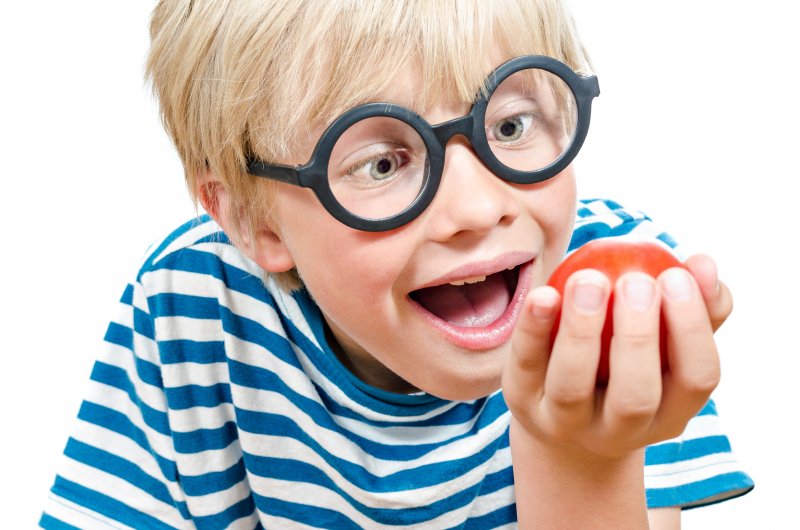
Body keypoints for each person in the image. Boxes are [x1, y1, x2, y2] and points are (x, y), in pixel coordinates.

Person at [40, 0, 753, 528]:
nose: (477, 206)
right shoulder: (192, 305)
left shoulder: (608, 295)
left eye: (509, 125)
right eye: (381, 162)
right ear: (252, 222)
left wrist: (577, 451)